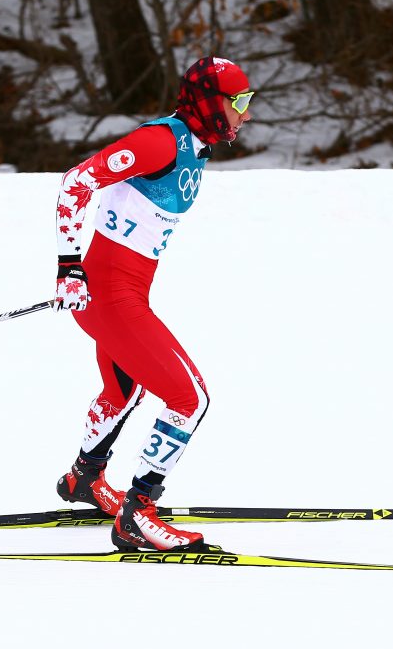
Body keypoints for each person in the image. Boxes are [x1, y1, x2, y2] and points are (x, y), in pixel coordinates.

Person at [51, 56, 254, 553]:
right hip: (109, 298)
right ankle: (138, 513)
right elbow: (76, 182)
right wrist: (68, 267)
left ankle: (84, 478)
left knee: (125, 390)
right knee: (191, 399)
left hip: (121, 296)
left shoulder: (195, 146)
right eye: (240, 103)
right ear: (210, 104)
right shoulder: (159, 141)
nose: (246, 115)